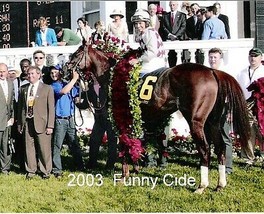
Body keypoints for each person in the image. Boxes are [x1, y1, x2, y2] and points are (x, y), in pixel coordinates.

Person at [17, 66, 55, 179]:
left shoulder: (47, 88)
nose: (30, 76)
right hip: (27, 122)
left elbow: (51, 109)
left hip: (42, 123)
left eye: (33, 74)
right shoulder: (23, 89)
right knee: (29, 147)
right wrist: (20, 123)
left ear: (39, 75)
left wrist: (50, 125)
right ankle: (31, 170)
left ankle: (46, 171)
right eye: (29, 74)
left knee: (44, 148)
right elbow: (20, 108)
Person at [75, 73, 118, 171]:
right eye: (93, 75)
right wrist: (78, 104)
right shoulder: (90, 88)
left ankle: (110, 165)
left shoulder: (108, 86)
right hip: (98, 119)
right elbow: (85, 104)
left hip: (110, 118)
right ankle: (92, 163)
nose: (94, 77)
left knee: (112, 142)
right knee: (94, 141)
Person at [50, 65, 84, 178]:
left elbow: (81, 90)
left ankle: (80, 166)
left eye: (56, 72)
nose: (54, 75)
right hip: (60, 120)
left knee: (74, 144)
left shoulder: (66, 83)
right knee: (57, 145)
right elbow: (64, 91)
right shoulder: (53, 86)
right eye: (52, 73)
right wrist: (73, 79)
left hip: (70, 118)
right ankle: (57, 169)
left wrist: (79, 78)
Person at [236, 48, 264, 166]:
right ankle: (249, 157)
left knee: (261, 130)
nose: (253, 58)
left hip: (261, 104)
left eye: (256, 56)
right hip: (246, 104)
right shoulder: (242, 73)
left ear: (261, 57)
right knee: (248, 130)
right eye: (251, 56)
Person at [208, 48, 233, 174]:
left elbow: (231, 95)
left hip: (223, 107)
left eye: (215, 57)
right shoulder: (206, 73)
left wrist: (230, 111)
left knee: (225, 136)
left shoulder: (225, 74)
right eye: (211, 57)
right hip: (209, 108)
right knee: (208, 136)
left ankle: (228, 167)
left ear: (220, 59)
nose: (212, 60)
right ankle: (206, 163)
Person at [129, 9, 166, 77]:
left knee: (135, 75)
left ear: (146, 23)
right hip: (152, 61)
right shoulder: (146, 32)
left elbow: (152, 52)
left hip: (154, 63)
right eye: (136, 23)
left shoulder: (149, 33)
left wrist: (138, 60)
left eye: (140, 23)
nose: (138, 26)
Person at [160, 1, 187, 67]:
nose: (172, 6)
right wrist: (169, 35)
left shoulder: (182, 15)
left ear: (177, 5)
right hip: (169, 40)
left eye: (173, 5)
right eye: (171, 5)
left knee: (179, 60)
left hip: (178, 39)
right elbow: (163, 27)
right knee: (170, 59)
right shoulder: (165, 16)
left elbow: (183, 27)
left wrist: (175, 36)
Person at [0, 63, 14, 175]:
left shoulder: (10, 83)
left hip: (7, 120)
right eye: (0, 71)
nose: (1, 73)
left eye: (3, 71)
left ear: (7, 72)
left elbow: (11, 102)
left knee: (6, 145)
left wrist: (12, 116)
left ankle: (5, 168)